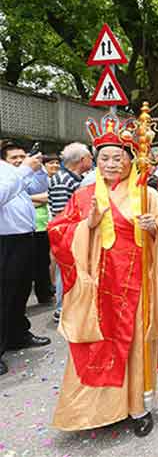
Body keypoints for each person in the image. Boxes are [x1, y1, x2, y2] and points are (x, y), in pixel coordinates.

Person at [48, 115, 158, 435]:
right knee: (95, 345)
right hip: (99, 286)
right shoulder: (83, 195)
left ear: (130, 160)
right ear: (95, 160)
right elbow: (58, 231)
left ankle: (137, 407)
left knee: (133, 346)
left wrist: (155, 229)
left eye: (118, 158)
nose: (110, 164)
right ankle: (94, 410)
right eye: (104, 158)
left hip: (136, 286)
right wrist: (87, 224)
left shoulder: (148, 195)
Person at [0, 140, 51, 377]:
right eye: (14, 158)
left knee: (20, 292)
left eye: (23, 156)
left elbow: (41, 188)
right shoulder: (8, 175)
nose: (20, 160)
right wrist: (22, 170)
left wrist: (37, 168)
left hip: (25, 238)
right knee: (4, 295)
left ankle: (17, 334)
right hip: (5, 241)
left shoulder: (17, 174)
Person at [49, 142, 94, 323]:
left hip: (77, 231)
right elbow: (62, 214)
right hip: (67, 233)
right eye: (91, 157)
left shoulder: (74, 178)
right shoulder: (62, 180)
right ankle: (62, 308)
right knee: (65, 270)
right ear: (82, 160)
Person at [29, 153, 61, 305]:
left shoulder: (52, 179)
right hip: (32, 225)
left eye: (56, 162)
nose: (54, 166)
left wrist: (26, 197)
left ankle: (47, 291)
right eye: (51, 163)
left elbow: (48, 197)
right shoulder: (33, 178)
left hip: (46, 224)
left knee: (45, 259)